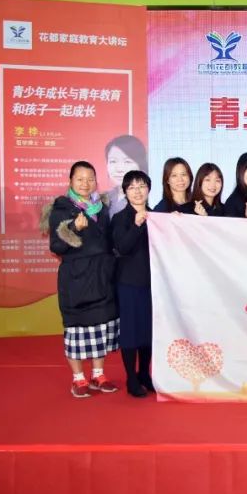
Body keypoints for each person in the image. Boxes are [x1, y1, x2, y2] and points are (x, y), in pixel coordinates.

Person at [43, 161, 120, 398]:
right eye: (80, 179)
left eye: (90, 179)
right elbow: (56, 246)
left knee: (102, 326)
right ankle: (78, 378)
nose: (85, 184)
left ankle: (98, 374)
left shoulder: (102, 208)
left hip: (102, 276)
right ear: (70, 181)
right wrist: (73, 228)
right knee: (76, 330)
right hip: (76, 279)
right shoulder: (62, 208)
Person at [110, 170, 154, 397]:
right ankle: (131, 378)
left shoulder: (157, 216)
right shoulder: (120, 218)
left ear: (149, 189)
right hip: (128, 283)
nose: (137, 191)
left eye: (142, 186)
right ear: (125, 192)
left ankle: (144, 373)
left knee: (149, 331)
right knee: (130, 332)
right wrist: (136, 226)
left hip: (154, 284)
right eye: (132, 187)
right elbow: (122, 247)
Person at [103, 135, 147, 216]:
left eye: (127, 162)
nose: (119, 169)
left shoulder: (147, 197)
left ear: (140, 165)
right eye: (113, 161)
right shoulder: (103, 198)